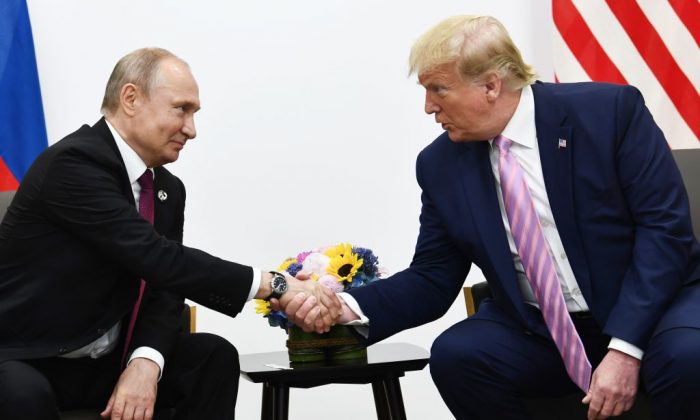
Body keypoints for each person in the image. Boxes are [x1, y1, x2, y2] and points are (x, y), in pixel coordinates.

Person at [281, 15, 700, 420]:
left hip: (653, 312)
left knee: (688, 359)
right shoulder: (440, 164)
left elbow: (665, 233)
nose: (428, 107)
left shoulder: (608, 114)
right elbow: (433, 276)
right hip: (543, 330)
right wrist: (344, 307)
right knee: (459, 356)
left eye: (438, 89)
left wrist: (625, 348)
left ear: (490, 86)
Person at [0, 47, 338, 420]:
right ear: (131, 98)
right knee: (22, 395)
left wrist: (147, 362)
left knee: (211, 356)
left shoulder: (166, 189)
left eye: (194, 114)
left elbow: (165, 287)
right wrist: (277, 285)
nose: (191, 129)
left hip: (101, 362)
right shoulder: (72, 165)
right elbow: (159, 258)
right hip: (25, 355)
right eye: (181, 109)